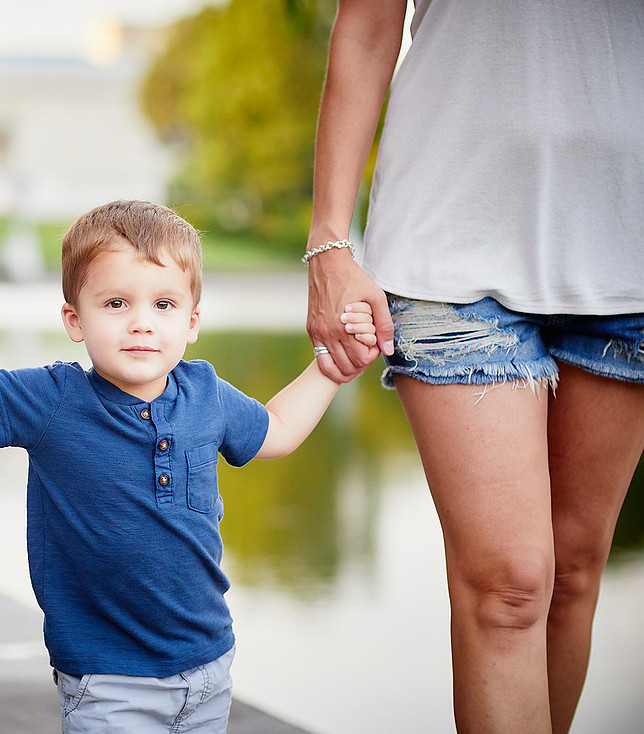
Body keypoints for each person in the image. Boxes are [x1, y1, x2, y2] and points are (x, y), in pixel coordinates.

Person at [0, 200, 377, 733]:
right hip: (108, 679)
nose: (142, 323)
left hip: (207, 667)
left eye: (164, 305)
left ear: (192, 322)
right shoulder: (52, 400)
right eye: (116, 303)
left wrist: (331, 368)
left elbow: (276, 430)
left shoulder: (205, 392)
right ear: (74, 319)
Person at [304, 1, 644, 732]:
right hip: (447, 233)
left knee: (576, 569)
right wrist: (329, 240)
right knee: (510, 586)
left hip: (631, 244)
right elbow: (366, 28)